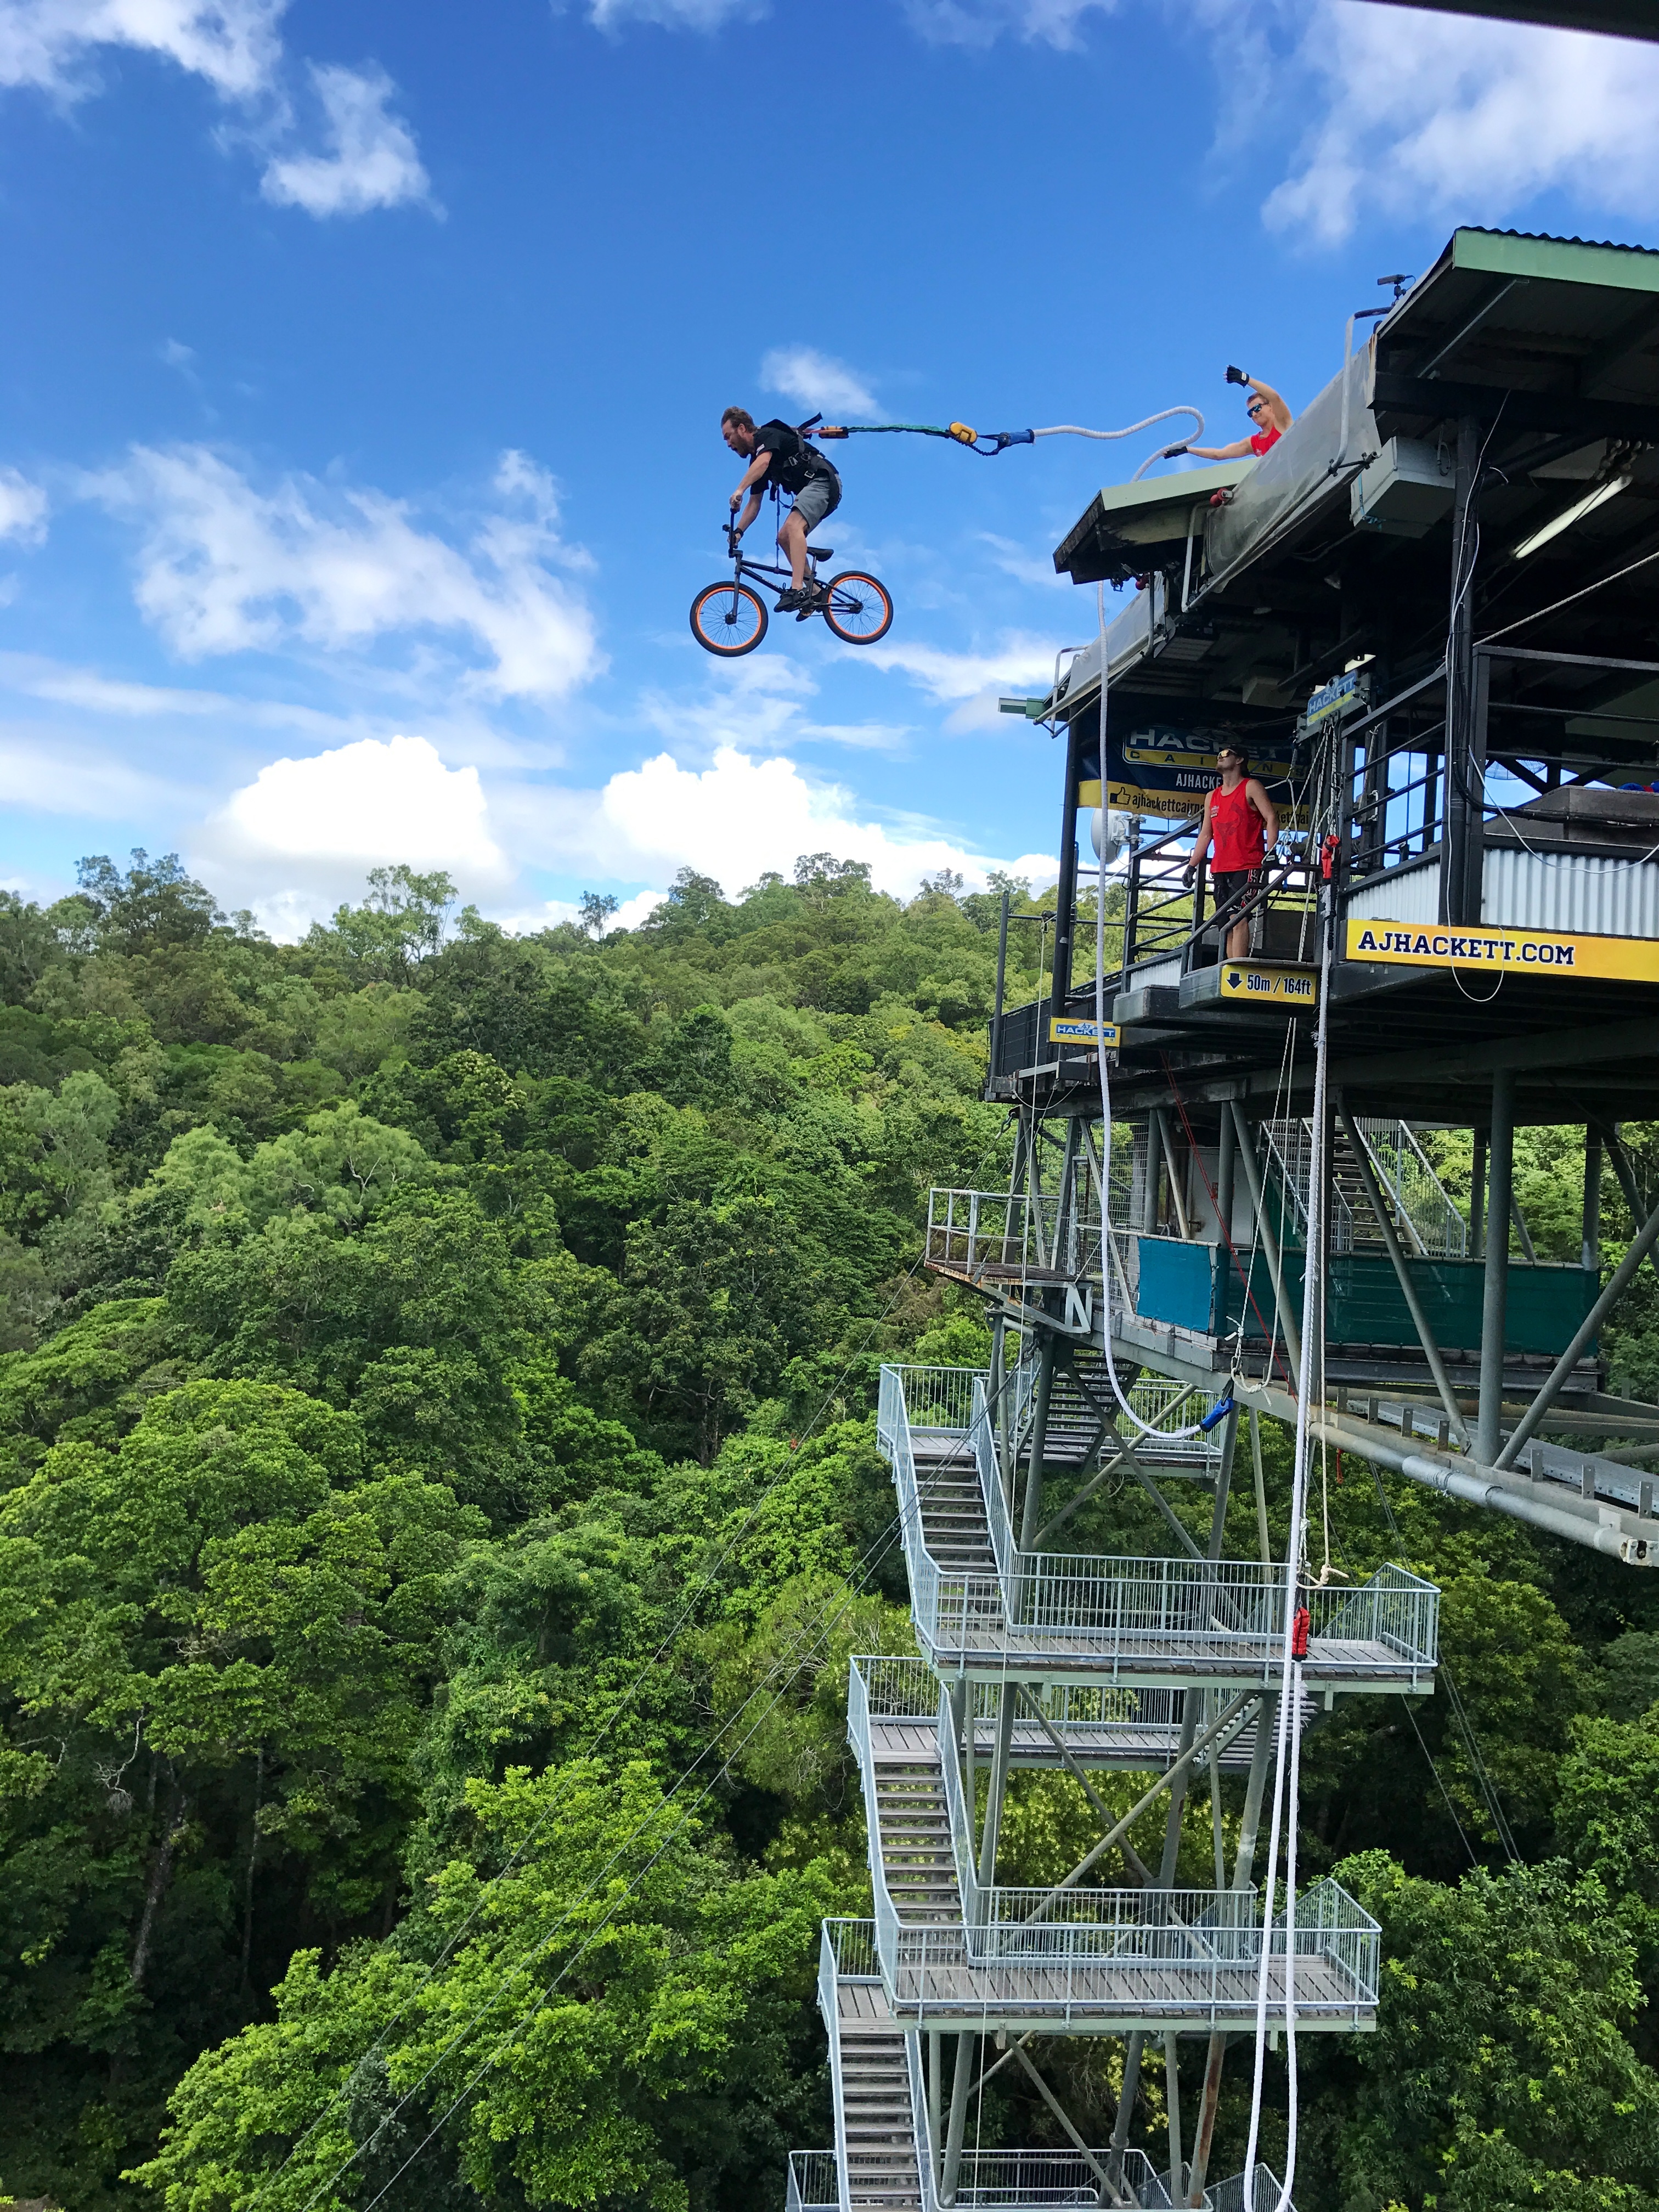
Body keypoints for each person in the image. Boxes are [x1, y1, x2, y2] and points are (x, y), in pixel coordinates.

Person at [722, 407, 843, 612]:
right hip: (812, 491)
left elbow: (764, 462)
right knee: (784, 537)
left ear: (741, 429)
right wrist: (739, 532)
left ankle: (797, 589)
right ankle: (814, 592)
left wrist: (739, 489)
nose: (728, 444)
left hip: (823, 481)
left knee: (793, 526)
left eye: (728, 436)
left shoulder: (766, 436)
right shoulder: (756, 460)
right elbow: (754, 504)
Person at [1184, 744, 1279, 959]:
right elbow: (1206, 835)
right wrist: (1192, 866)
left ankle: (1238, 967)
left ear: (1239, 760)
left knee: (1238, 918)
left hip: (1247, 864)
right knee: (1225, 925)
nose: (1220, 757)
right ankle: (1230, 968)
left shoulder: (1251, 787)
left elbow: (1271, 818)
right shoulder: (1212, 797)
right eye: (1219, 755)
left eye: (1226, 754)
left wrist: (1270, 852)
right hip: (1220, 868)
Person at [1184, 372, 1294, 462]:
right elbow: (1219, 454)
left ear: (1270, 406)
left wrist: (1245, 378)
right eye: (1250, 413)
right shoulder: (1253, 443)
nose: (1254, 414)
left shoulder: (1283, 423)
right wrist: (1187, 450)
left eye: (1256, 408)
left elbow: (1275, 397)